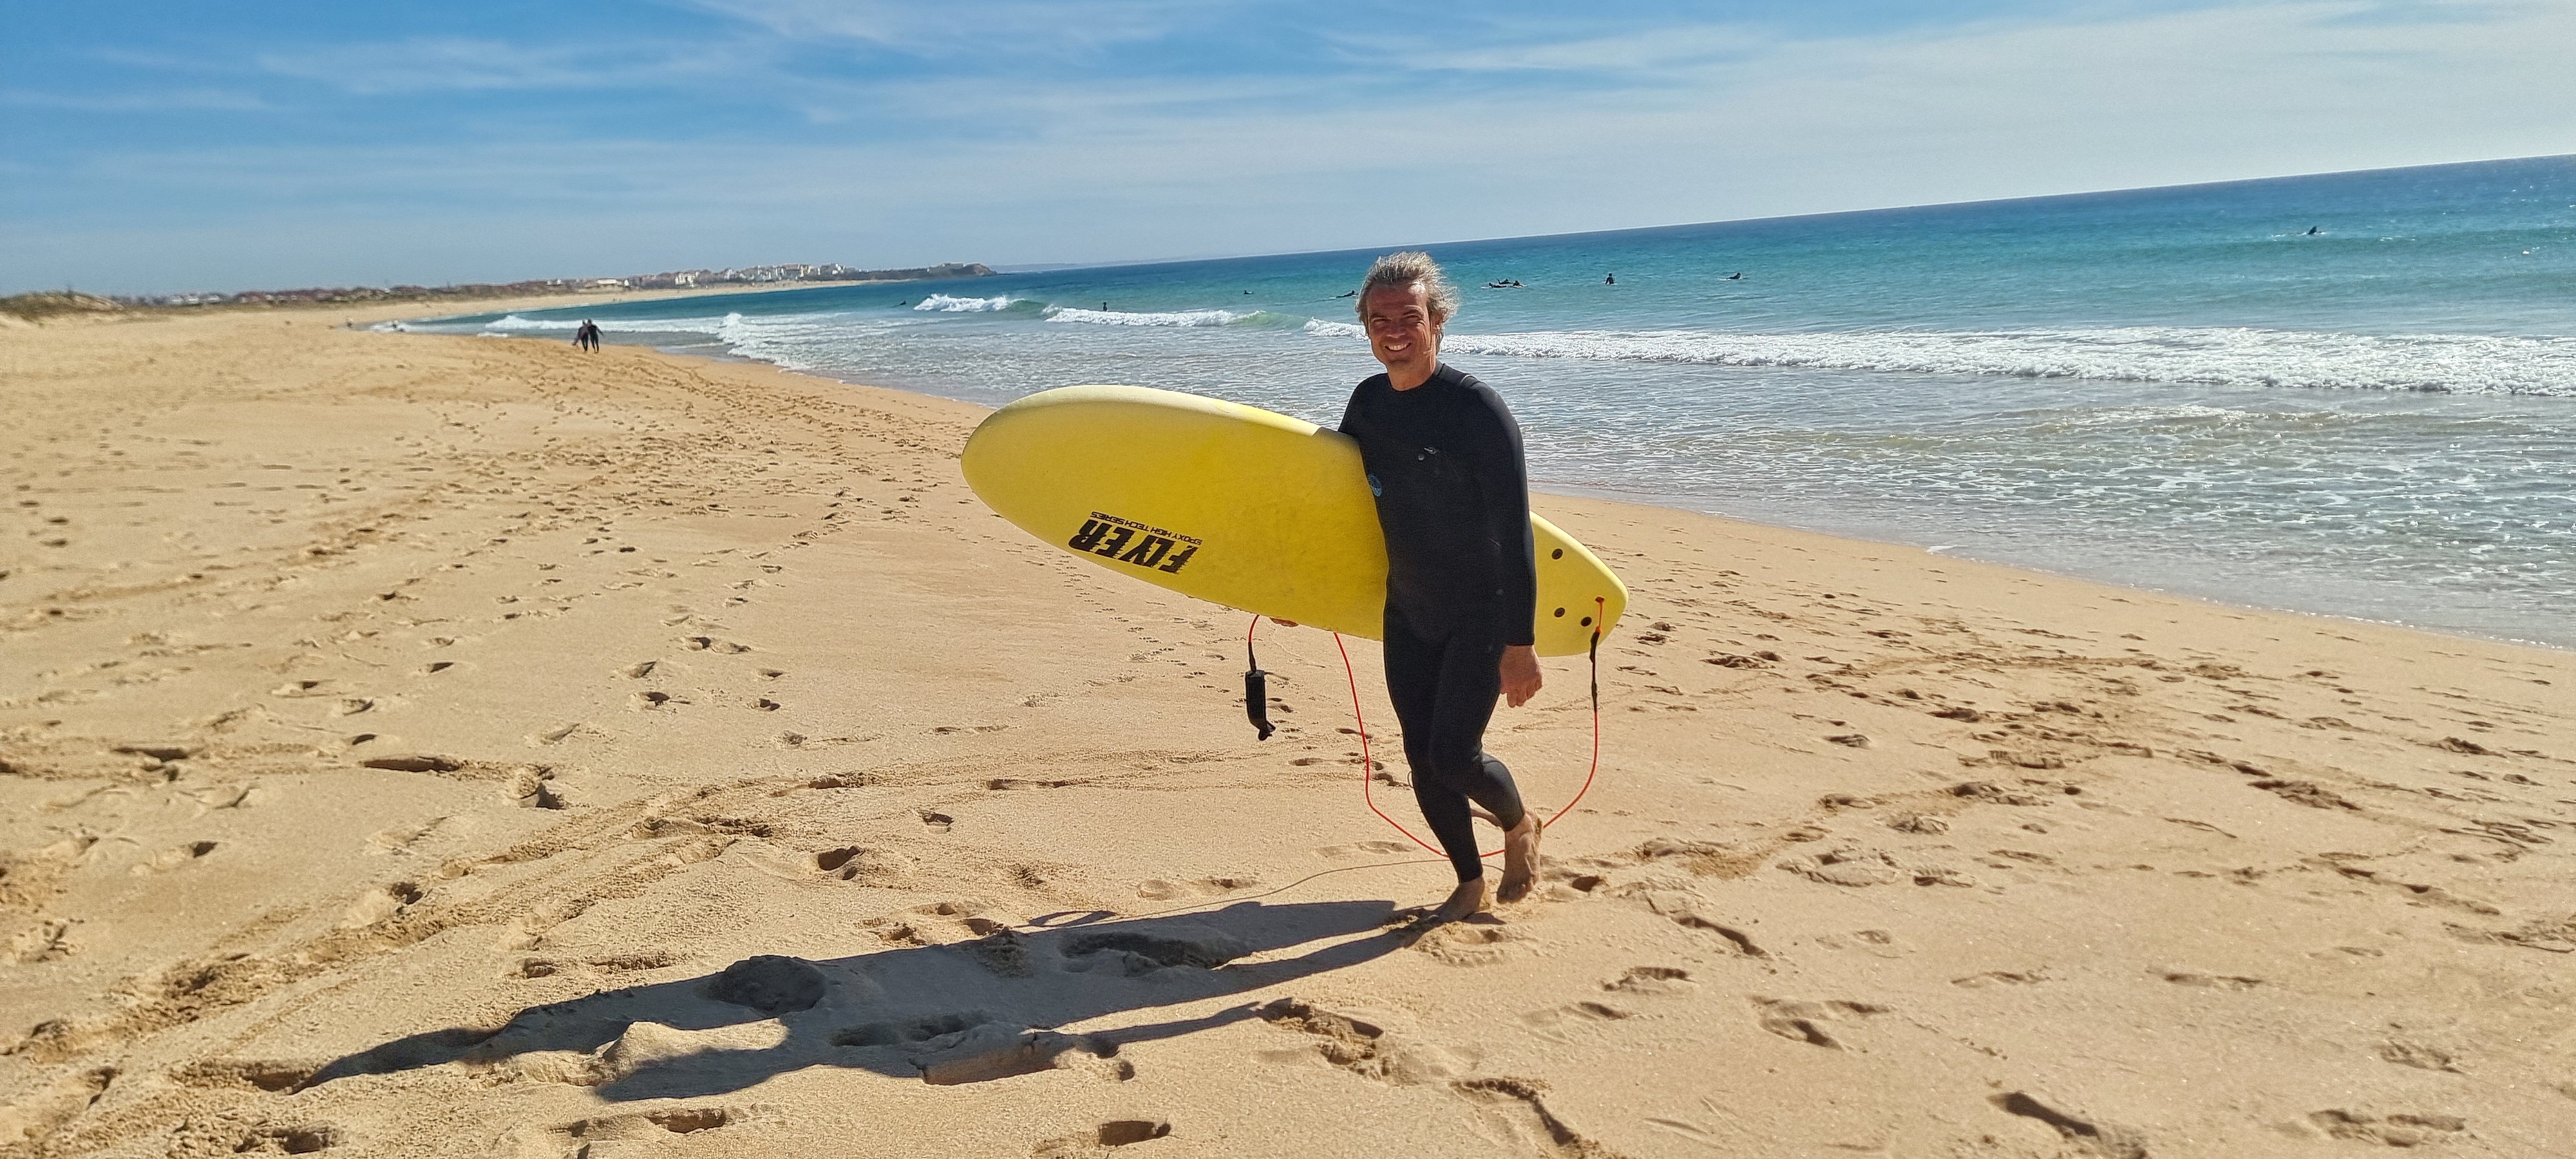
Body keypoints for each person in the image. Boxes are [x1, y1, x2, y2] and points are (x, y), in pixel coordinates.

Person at [1287, 251, 1545, 925]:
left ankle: (1519, 824)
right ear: (1366, 329)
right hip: (1408, 609)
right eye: (1380, 320)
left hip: (1479, 613)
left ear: (1436, 322)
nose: (1394, 331)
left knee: (1455, 757)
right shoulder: (1368, 403)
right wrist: (1295, 591)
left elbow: (1514, 534)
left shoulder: (1477, 410)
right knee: (1420, 759)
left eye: (1409, 316)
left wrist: (1520, 644)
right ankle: (1468, 882)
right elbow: (1343, 509)